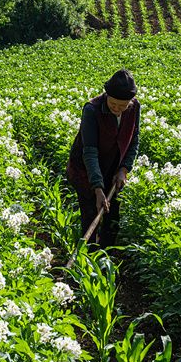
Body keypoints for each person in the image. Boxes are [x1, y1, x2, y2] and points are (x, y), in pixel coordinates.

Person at [66, 69, 140, 250]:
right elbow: (89, 151)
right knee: (91, 215)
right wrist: (97, 187)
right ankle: (86, 262)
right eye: (113, 104)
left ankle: (106, 261)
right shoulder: (92, 110)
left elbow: (134, 140)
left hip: (113, 168)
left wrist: (124, 169)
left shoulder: (134, 108)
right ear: (106, 95)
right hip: (85, 170)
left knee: (112, 216)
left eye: (122, 106)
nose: (117, 109)